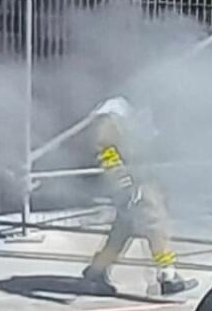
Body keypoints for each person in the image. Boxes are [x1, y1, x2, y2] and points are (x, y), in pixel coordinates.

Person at [80, 97, 197, 297]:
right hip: (134, 183)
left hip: (137, 179)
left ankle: (97, 271)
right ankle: (168, 275)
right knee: (156, 223)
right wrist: (122, 180)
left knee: (123, 228)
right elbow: (106, 152)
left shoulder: (126, 113)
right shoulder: (111, 115)